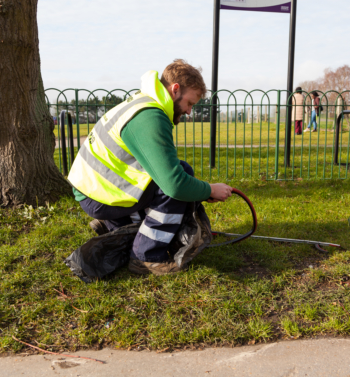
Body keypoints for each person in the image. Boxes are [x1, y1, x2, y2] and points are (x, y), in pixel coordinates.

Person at [67, 60, 233, 276]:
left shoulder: (140, 103)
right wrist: (209, 190)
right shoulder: (151, 117)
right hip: (100, 197)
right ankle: (146, 257)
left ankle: (119, 224)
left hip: (92, 189)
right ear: (175, 90)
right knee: (181, 177)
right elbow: (175, 185)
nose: (190, 112)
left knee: (178, 170)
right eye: (190, 103)